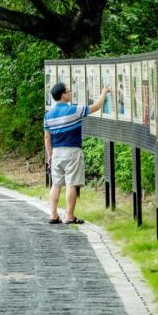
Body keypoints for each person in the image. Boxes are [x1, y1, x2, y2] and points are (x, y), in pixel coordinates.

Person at [44, 81, 109, 225]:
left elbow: (47, 137)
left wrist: (50, 155)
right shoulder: (74, 110)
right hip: (72, 151)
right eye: (68, 91)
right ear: (63, 95)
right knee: (72, 184)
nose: (70, 93)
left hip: (56, 152)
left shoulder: (48, 116)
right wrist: (104, 92)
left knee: (56, 184)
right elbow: (96, 107)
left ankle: (53, 215)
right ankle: (69, 216)